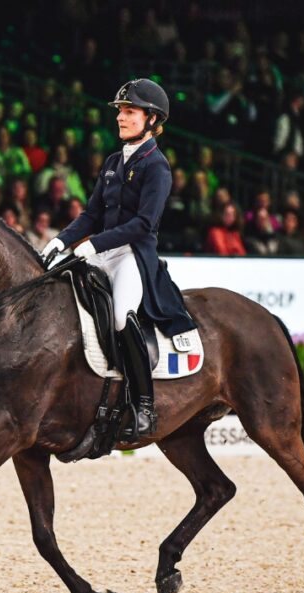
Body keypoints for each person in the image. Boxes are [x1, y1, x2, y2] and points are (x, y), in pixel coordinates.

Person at [41, 79, 196, 442]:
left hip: (132, 256)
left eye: (130, 112)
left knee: (121, 314)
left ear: (152, 119)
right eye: (121, 112)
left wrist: (93, 245)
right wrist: (59, 241)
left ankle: (143, 405)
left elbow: (144, 224)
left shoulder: (156, 166)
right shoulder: (113, 162)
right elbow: (91, 213)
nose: (121, 118)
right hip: (102, 252)